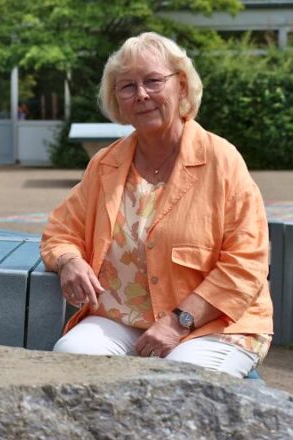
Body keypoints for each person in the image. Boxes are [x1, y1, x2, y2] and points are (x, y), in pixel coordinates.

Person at [41, 32, 272, 378]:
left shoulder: (220, 159)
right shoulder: (106, 164)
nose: (141, 95)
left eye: (152, 81)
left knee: (182, 379)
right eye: (127, 86)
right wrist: (68, 261)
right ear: (117, 99)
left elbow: (247, 261)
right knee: (72, 358)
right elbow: (60, 230)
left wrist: (179, 322)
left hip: (217, 323)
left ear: (181, 86)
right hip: (123, 318)